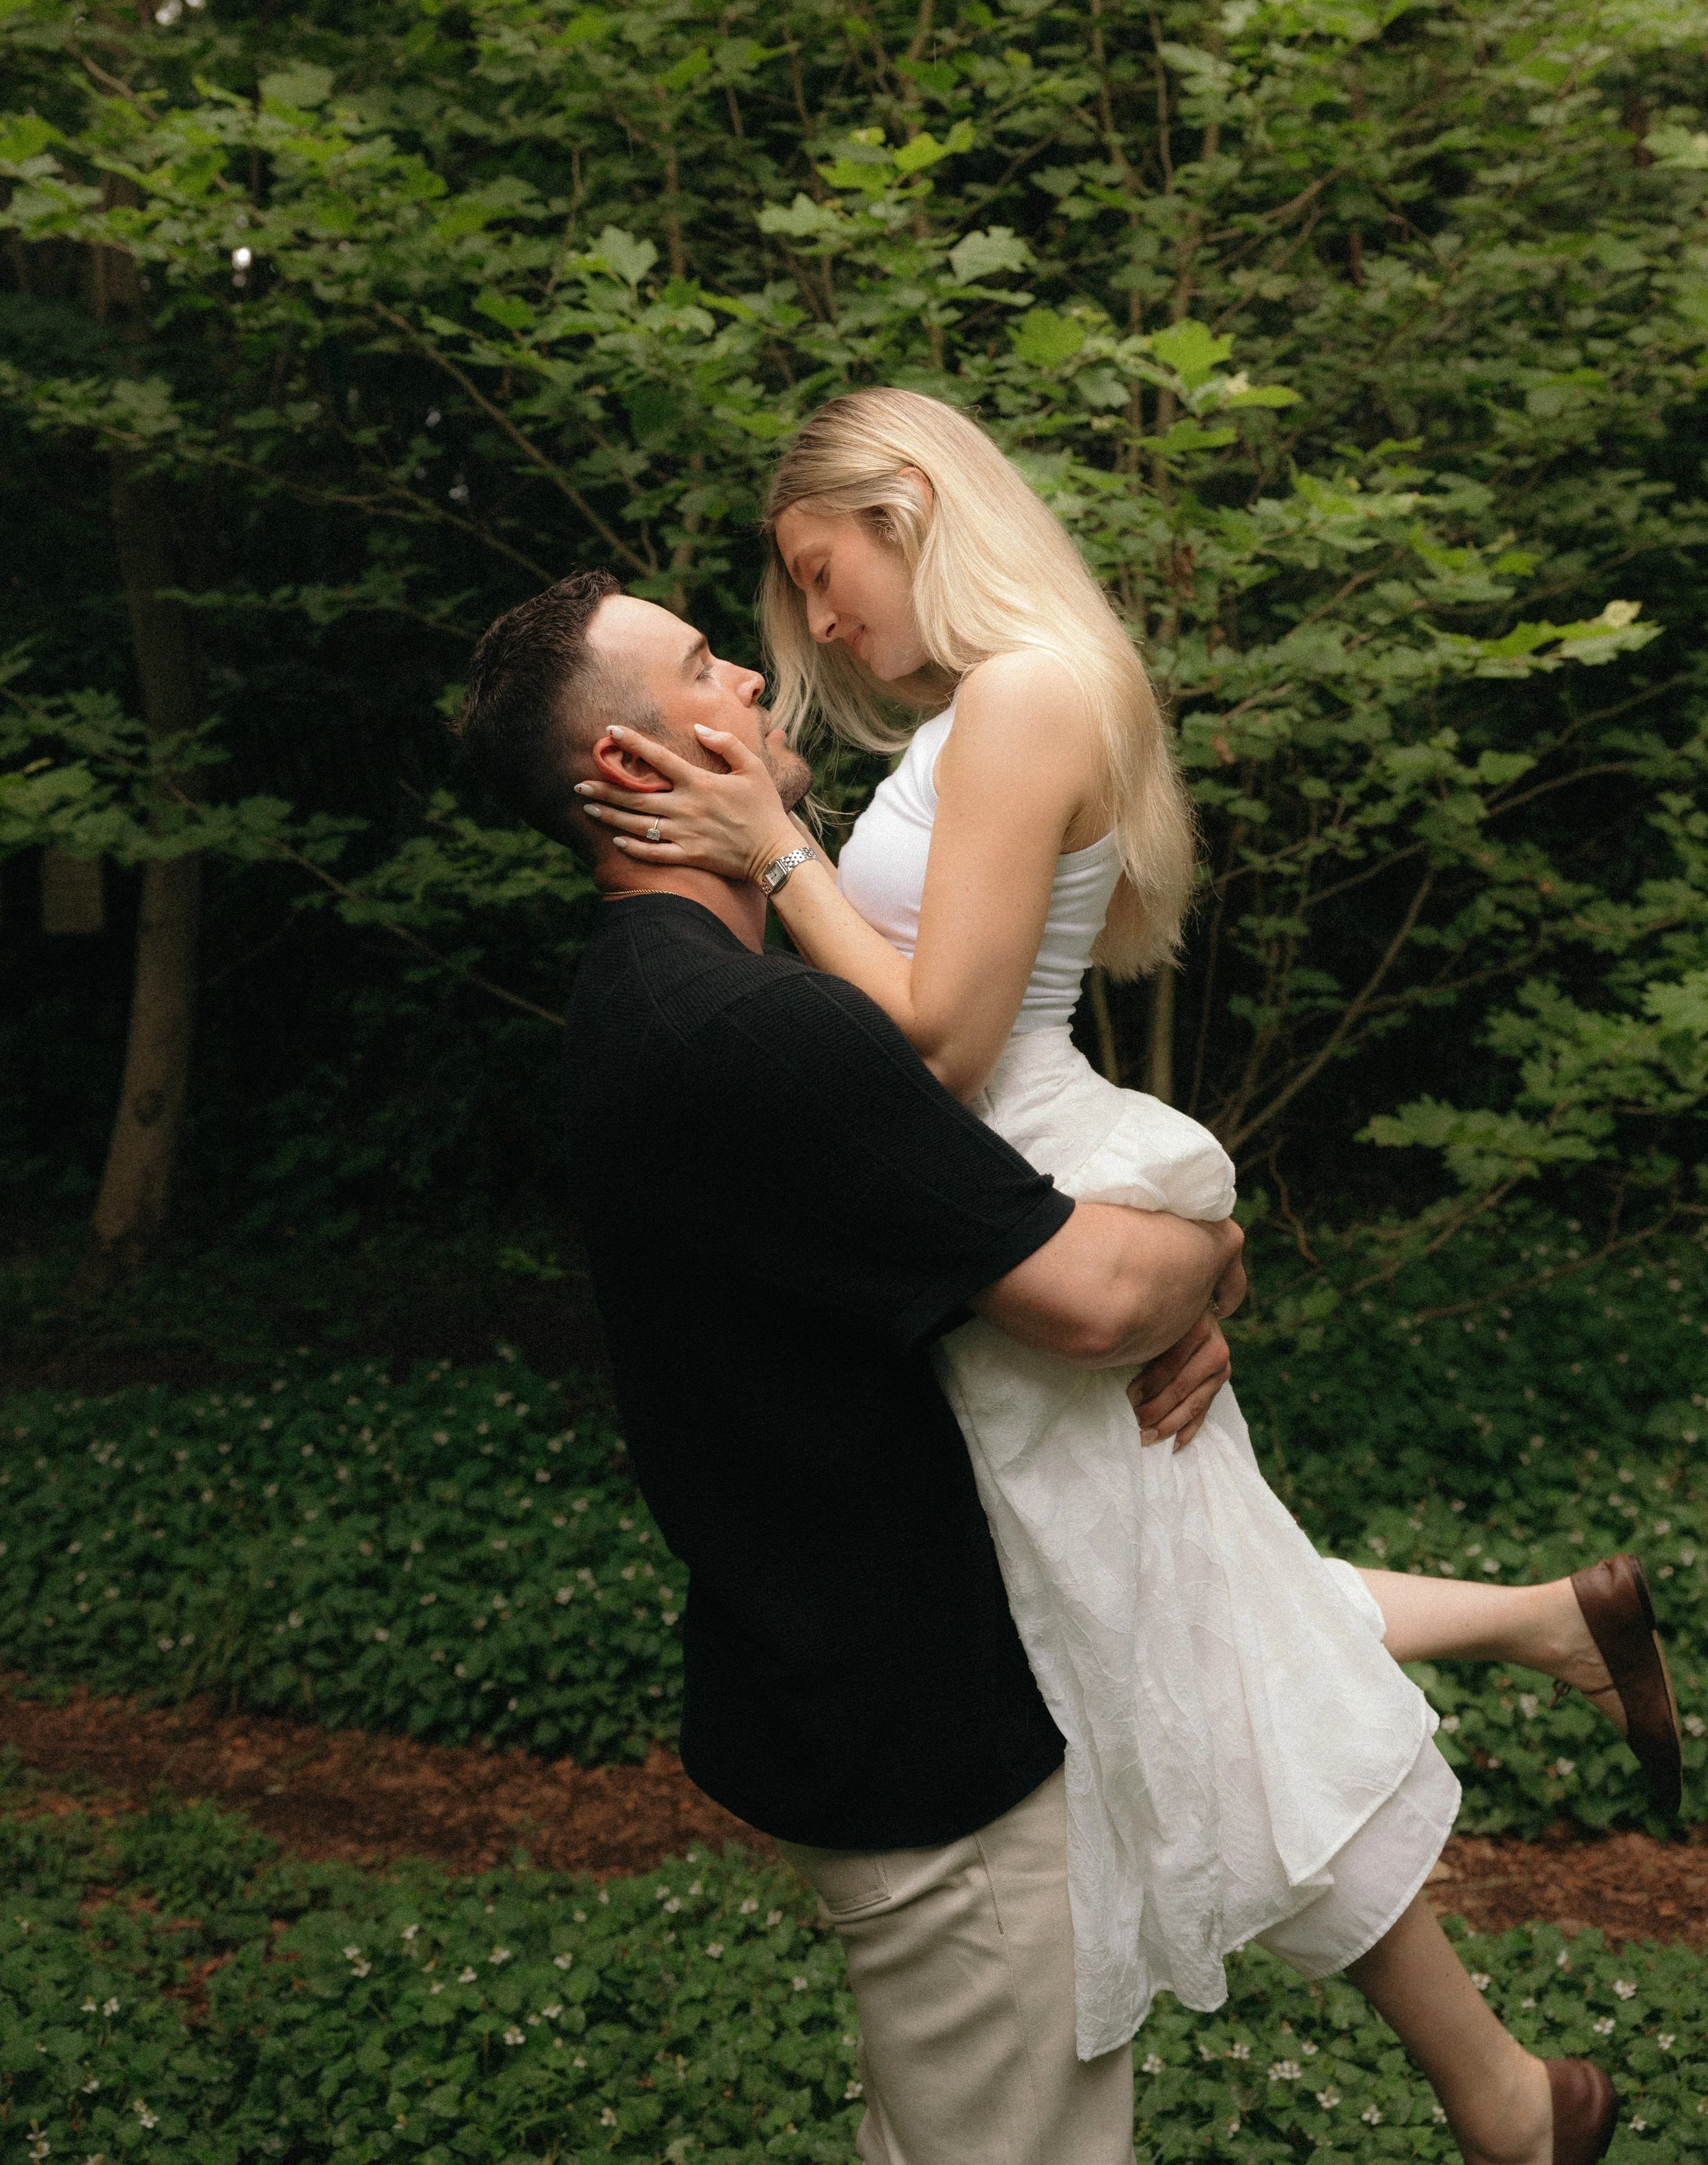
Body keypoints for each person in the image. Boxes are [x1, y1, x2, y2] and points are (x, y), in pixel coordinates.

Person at [568, 389, 1680, 2165]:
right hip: (982, 1191)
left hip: (1000, 1169)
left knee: (1156, 1611)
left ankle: (1502, 2057)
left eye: (817, 572)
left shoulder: (1024, 694)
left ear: (910, 500)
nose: (817, 629)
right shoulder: (978, 710)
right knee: (1168, 1595)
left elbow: (929, 1039)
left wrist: (772, 855)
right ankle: (1506, 2033)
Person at [456, 566, 1245, 2165]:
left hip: (830, 1689)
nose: (753, 678)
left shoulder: (645, 1002)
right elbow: (1092, 1298)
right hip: (924, 1745)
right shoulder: (754, 1035)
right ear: (633, 768)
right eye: (701, 668)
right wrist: (1214, 1254)